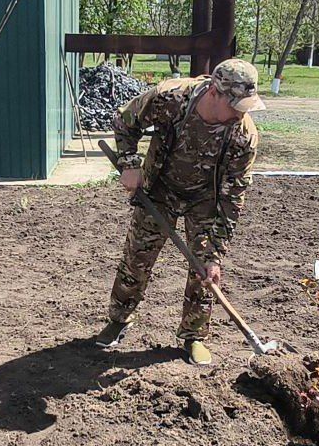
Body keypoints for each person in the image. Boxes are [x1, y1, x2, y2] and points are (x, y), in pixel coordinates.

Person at [95, 58, 264, 366]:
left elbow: (233, 198)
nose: (241, 112)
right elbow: (125, 122)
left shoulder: (244, 136)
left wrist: (215, 252)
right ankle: (119, 320)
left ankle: (194, 336)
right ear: (214, 92)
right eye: (235, 104)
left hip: (206, 201)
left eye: (246, 105)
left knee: (204, 270)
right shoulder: (171, 98)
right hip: (159, 189)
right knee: (137, 256)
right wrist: (130, 165)